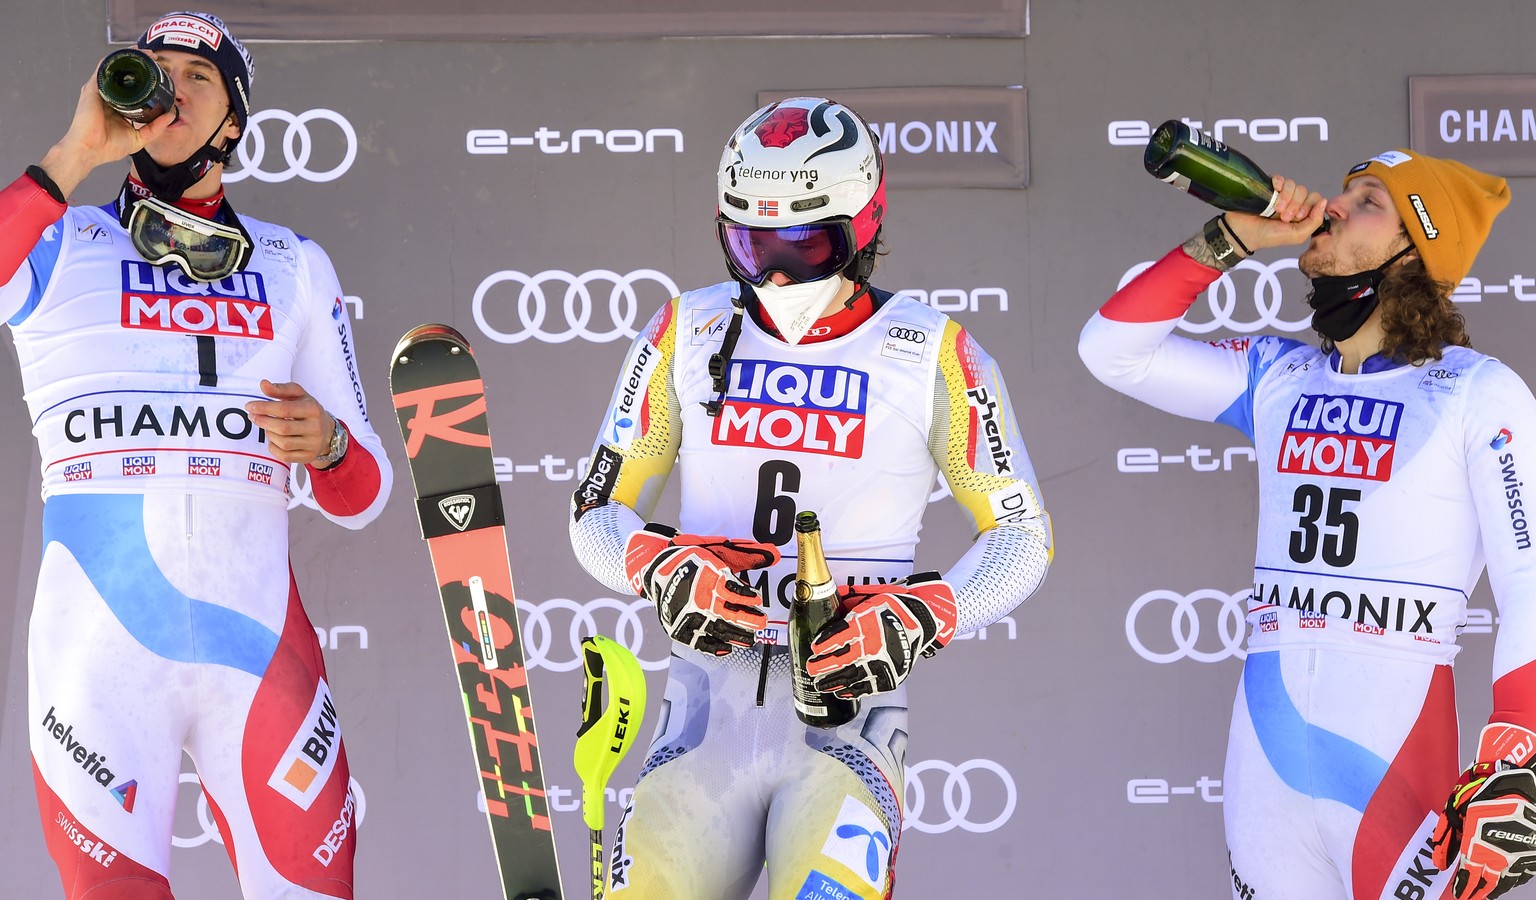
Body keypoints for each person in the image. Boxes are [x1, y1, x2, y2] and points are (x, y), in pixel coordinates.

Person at [568, 96, 1053, 899]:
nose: (779, 274)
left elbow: (1021, 534)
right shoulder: (681, 328)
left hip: (847, 727)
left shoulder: (934, 351)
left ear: (864, 225)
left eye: (807, 240)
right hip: (702, 720)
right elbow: (594, 510)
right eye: (753, 243)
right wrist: (656, 563)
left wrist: (928, 610)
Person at [3, 11, 391, 899]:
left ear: (233, 126)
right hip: (95, 652)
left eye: (198, 78)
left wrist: (327, 446)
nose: (171, 90)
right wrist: (74, 152)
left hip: (256, 650)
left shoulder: (297, 266)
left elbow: (362, 489)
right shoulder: (61, 238)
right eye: (155, 72)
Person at [1079, 150, 1536, 900]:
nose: (1333, 203)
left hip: (1395, 749)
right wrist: (1232, 238)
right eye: (1346, 189)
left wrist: (1517, 749)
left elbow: (1529, 584)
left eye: (1369, 201)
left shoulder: (1477, 392)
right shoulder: (1280, 376)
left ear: (1413, 250)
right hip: (1268, 747)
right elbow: (1110, 352)